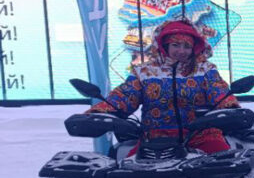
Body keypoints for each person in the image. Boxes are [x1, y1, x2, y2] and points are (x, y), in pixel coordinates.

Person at [88, 19, 239, 154]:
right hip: (154, 140)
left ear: (194, 48)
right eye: (175, 45)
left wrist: (231, 108)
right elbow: (125, 95)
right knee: (125, 169)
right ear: (164, 46)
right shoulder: (144, 71)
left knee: (228, 163)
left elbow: (218, 91)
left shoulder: (205, 69)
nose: (181, 51)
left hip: (201, 136)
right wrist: (101, 112)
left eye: (187, 46)